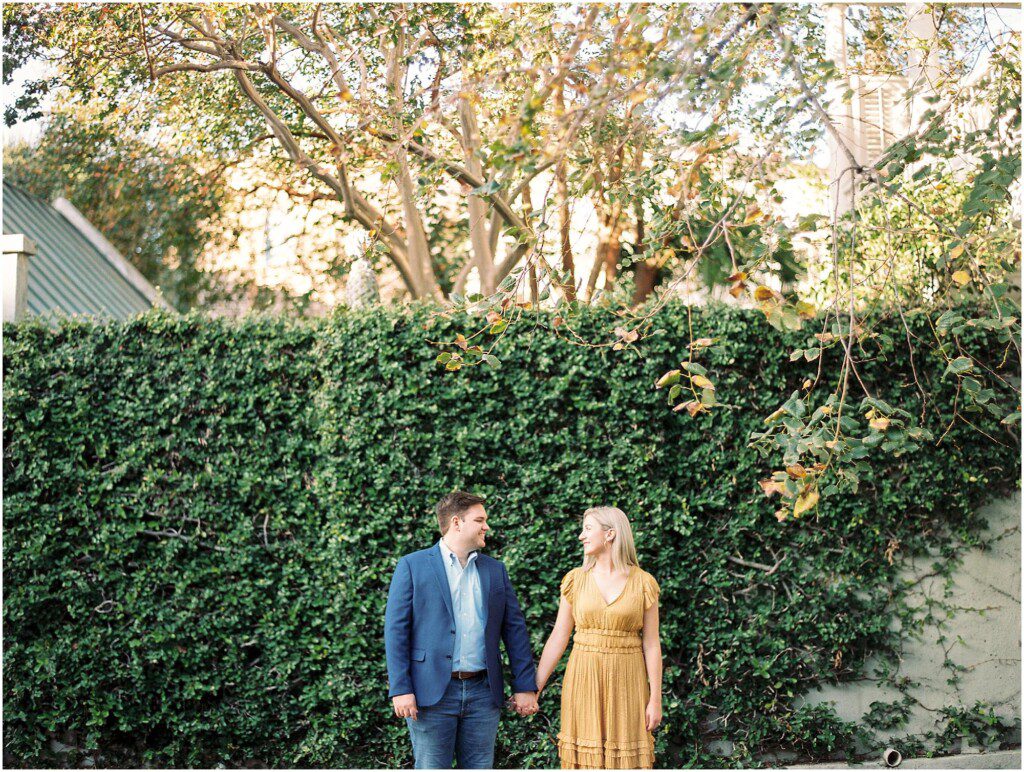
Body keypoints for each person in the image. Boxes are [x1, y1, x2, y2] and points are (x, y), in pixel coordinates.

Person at [384, 491, 539, 769]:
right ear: (456, 522)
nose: (486, 526)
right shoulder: (412, 565)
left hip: (483, 693)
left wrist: (525, 686)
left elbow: (514, 631)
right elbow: (396, 632)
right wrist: (400, 689)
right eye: (480, 519)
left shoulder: (495, 570)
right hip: (430, 695)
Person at [534, 506, 663, 769]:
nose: (581, 535)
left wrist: (655, 699)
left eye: (588, 529)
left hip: (628, 681)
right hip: (583, 678)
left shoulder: (644, 583)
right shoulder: (575, 580)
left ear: (611, 534)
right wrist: (534, 688)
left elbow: (651, 644)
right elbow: (559, 635)